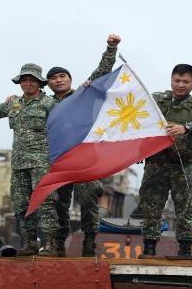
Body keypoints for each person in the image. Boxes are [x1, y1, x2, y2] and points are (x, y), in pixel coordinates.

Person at [46, 34, 121, 257]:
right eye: (53, 78)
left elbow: (103, 71)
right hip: (59, 160)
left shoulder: (83, 93)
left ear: (69, 78)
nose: (58, 80)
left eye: (62, 76)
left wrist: (111, 47)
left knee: (88, 201)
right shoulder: (45, 103)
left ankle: (90, 242)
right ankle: (59, 245)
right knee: (59, 204)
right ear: (48, 84)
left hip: (84, 157)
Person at [0, 63, 59, 256]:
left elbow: (62, 126)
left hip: (42, 162)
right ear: (20, 83)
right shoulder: (15, 103)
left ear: (40, 83)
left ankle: (50, 245)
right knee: (22, 204)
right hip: (19, 163)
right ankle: (30, 244)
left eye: (32, 80)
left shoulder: (49, 104)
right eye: (24, 80)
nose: (28, 83)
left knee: (46, 203)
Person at [137, 64, 192, 258]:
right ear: (171, 80)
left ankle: (185, 249)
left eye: (185, 82)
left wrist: (185, 127)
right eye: (177, 80)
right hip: (157, 162)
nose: (180, 85)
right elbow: (138, 118)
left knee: (185, 207)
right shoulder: (157, 99)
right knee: (151, 204)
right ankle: (149, 247)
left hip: (185, 165)